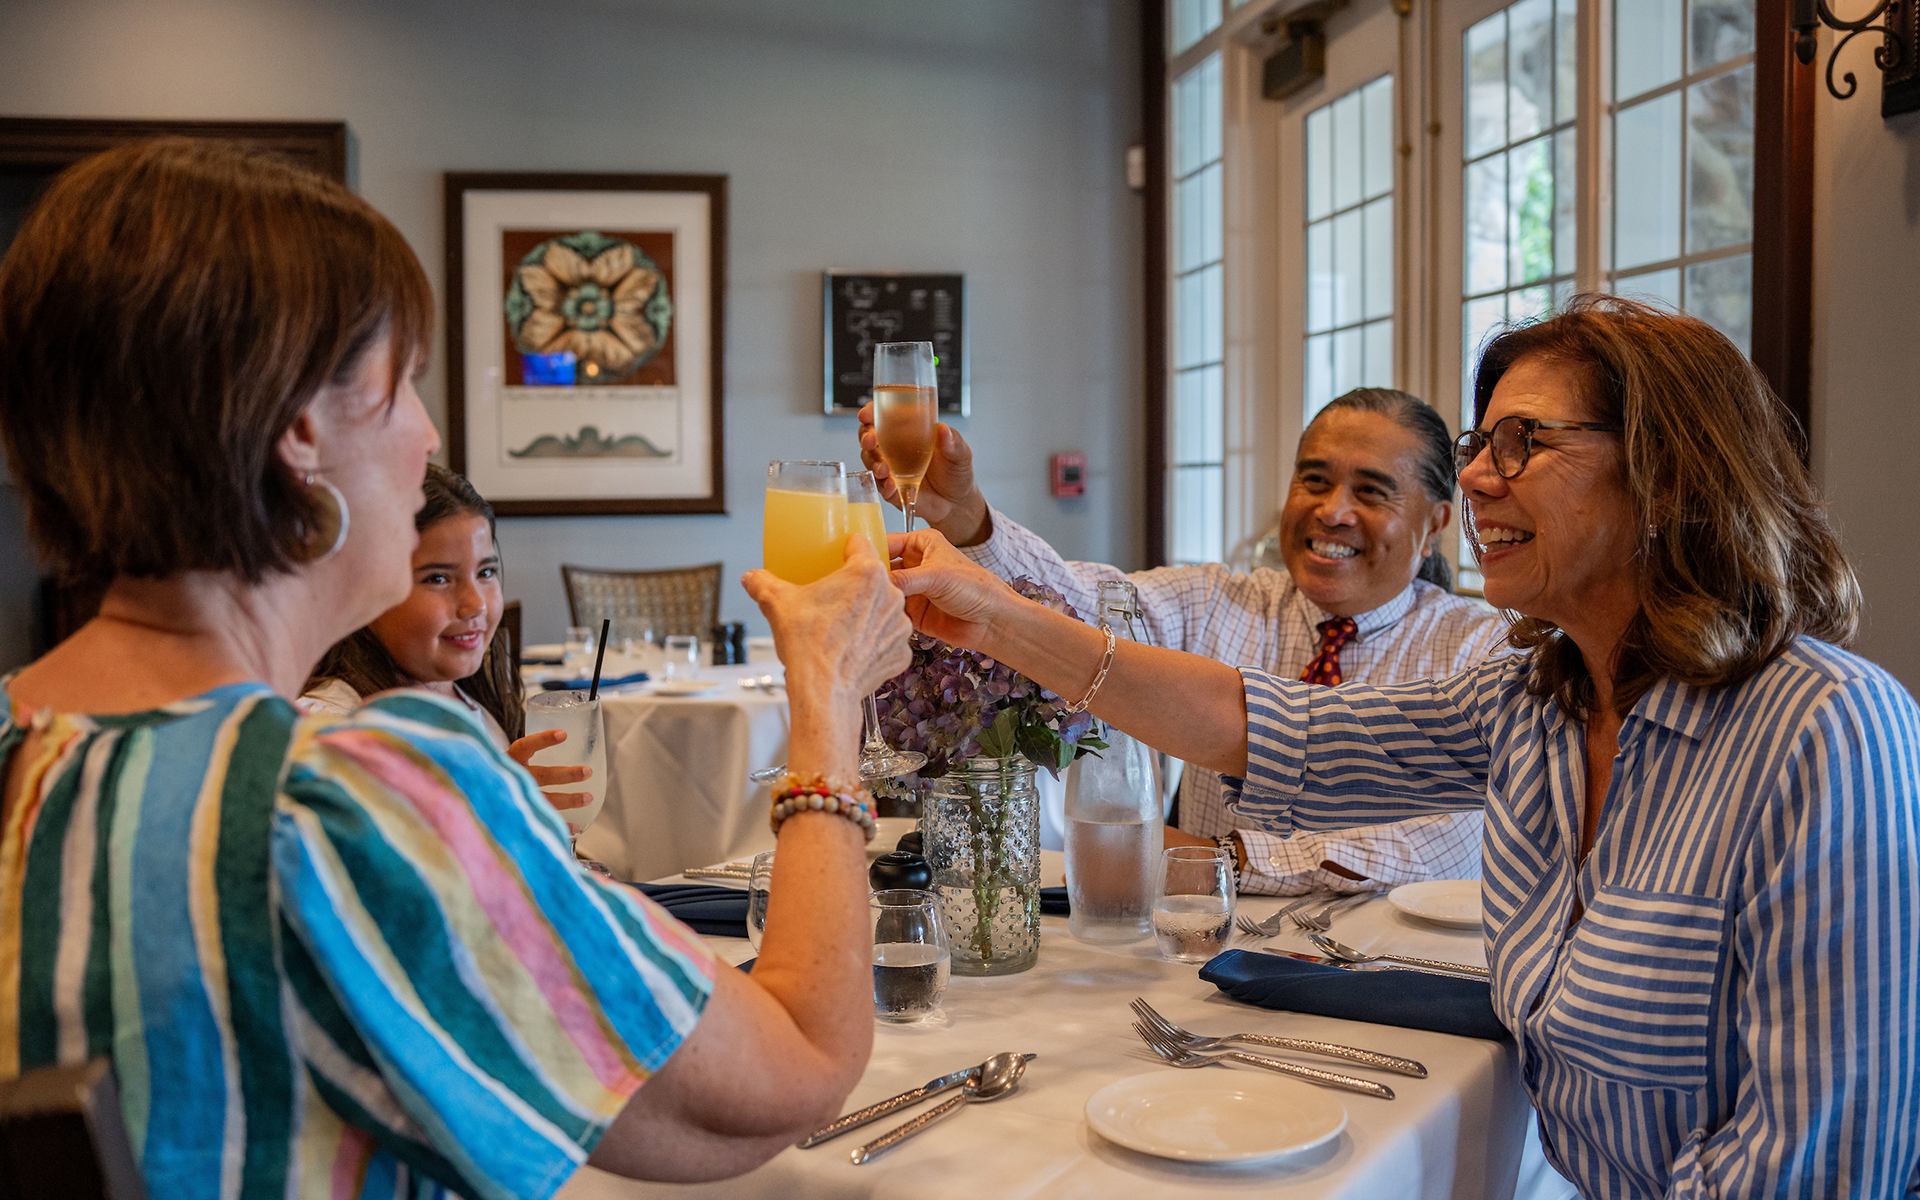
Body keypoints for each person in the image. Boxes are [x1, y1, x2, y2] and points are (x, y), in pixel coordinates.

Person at [0, 139, 909, 1196]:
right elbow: (794, 1069)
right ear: (299, 431)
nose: (428, 434)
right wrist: (827, 695)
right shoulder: (345, 801)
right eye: (405, 387)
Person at [889, 296, 1920, 1198]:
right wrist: (994, 614)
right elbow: (1274, 730)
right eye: (1477, 446)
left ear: (1667, 472)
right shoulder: (1535, 702)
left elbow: (1824, 1168)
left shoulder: (1825, 730)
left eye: (1520, 442)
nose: (1475, 478)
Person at [858, 388, 1508, 894]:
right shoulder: (1218, 601)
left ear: (1436, 523)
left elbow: (1442, 843)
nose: (1332, 510)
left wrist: (1211, 861)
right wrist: (967, 520)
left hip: (1387, 969)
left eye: (1371, 492)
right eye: (1313, 480)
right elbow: (1071, 608)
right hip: (1198, 953)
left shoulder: (1479, 647)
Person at [299, 463, 595, 817]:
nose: (476, 604)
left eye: (485, 572)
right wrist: (490, 806)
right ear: (364, 589)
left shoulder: (481, 704)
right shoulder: (330, 731)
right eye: (437, 578)